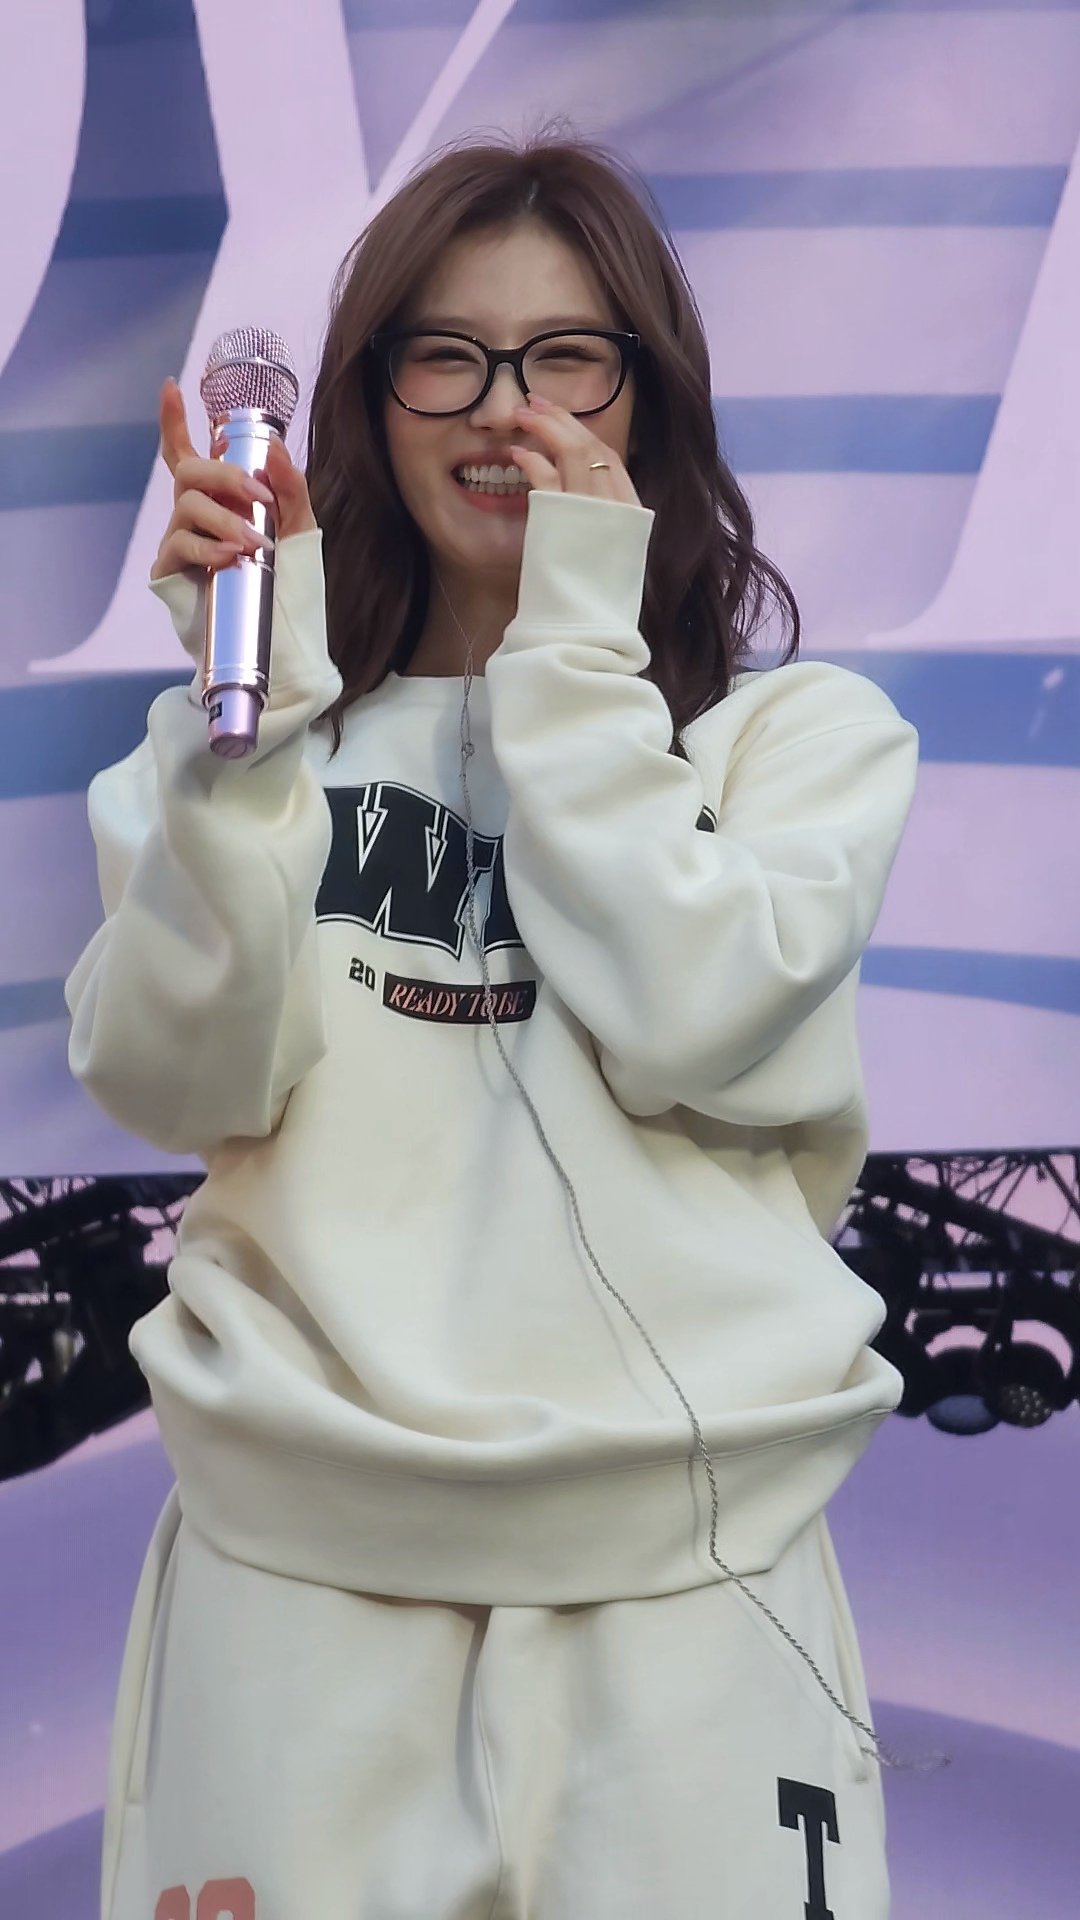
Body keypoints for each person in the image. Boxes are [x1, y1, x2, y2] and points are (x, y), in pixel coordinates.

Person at [66, 130, 934, 1920]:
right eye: (446, 355)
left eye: (565, 358)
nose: (503, 411)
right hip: (298, 1573)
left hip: (688, 1578)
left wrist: (571, 647)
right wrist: (248, 728)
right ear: (371, 399)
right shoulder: (251, 746)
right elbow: (175, 1074)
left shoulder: (797, 745)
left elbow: (695, 1011)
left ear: (647, 400)